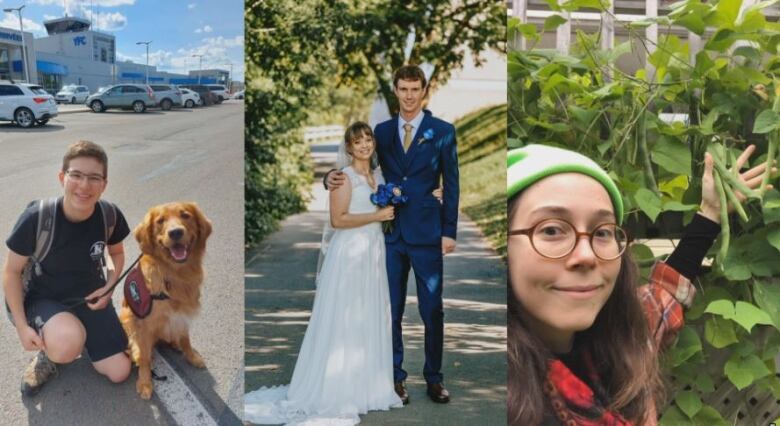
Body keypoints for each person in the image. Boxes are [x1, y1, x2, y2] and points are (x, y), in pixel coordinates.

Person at [506, 144, 772, 424]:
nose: (586, 255)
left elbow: (662, 297)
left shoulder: (620, 344)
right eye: (551, 230)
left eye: (603, 232)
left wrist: (710, 213)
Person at [244, 122, 403, 425]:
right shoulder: (343, 178)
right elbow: (338, 220)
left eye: (368, 140)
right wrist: (377, 215)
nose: (364, 145)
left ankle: (368, 387)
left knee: (368, 315)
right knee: (342, 317)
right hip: (350, 254)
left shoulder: (380, 177)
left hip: (373, 252)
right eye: (358, 142)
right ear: (349, 148)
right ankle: (336, 387)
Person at [326, 64, 459, 404]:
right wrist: (329, 177)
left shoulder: (442, 131)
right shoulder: (382, 132)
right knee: (391, 310)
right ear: (396, 91)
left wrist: (449, 231)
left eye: (415, 89)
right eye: (403, 89)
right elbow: (359, 161)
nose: (409, 96)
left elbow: (453, 184)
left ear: (424, 91)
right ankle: (395, 378)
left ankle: (434, 379)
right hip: (389, 235)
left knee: (432, 309)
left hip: (428, 234)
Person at [3, 140, 132, 397]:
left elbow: (114, 254)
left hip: (89, 297)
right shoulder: (37, 218)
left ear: (104, 184)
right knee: (66, 344)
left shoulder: (109, 215)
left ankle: (77, 332)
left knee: (120, 372)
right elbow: (10, 273)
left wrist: (108, 286)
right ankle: (49, 352)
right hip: (43, 298)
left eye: (94, 178)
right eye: (76, 175)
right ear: (62, 177)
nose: (85, 186)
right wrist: (21, 326)